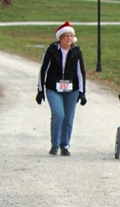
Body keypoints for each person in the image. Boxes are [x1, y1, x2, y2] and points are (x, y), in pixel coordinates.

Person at [36, 21, 87, 156]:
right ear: (60, 38)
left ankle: (65, 145)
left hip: (72, 89)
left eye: (71, 36)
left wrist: (82, 92)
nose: (69, 38)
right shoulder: (51, 50)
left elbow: (80, 73)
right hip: (54, 88)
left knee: (68, 118)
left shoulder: (76, 52)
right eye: (66, 36)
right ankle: (55, 144)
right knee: (59, 114)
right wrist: (40, 90)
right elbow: (43, 70)